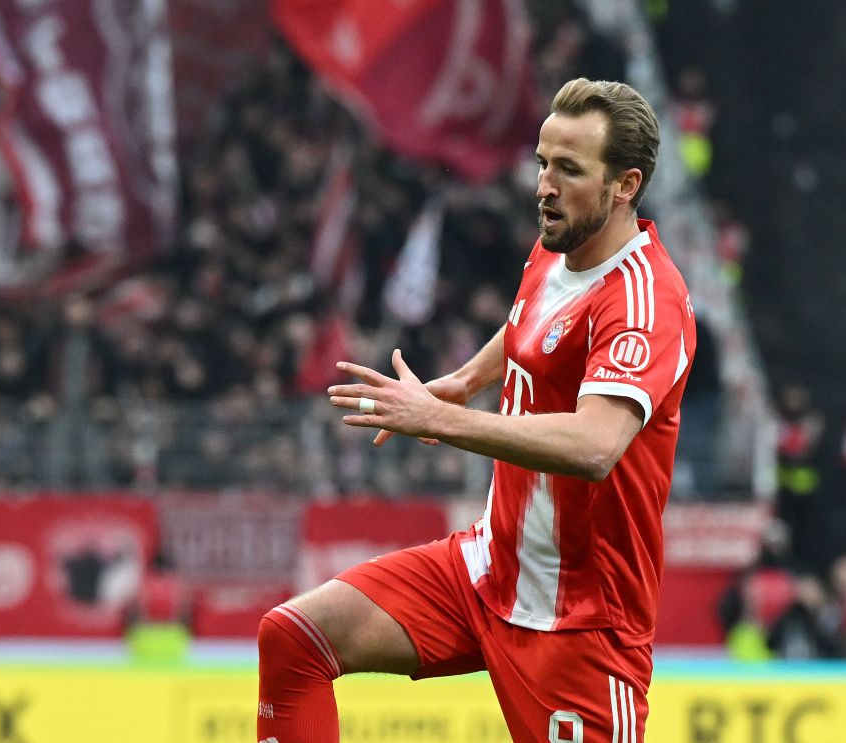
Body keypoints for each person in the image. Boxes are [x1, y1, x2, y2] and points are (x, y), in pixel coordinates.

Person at [257, 78, 696, 743]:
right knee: (294, 638)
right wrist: (465, 379)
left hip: (579, 621)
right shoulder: (559, 247)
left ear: (625, 185)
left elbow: (595, 445)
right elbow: (532, 326)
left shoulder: (644, 302)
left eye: (569, 170)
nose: (544, 185)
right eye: (543, 162)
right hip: (487, 569)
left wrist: (438, 421)